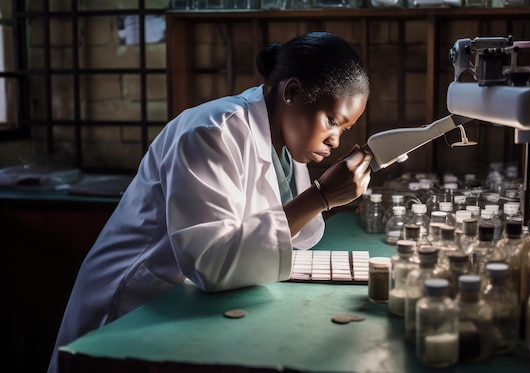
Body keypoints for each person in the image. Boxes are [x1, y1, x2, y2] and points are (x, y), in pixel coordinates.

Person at [47, 31, 371, 372]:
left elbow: (296, 238)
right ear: (291, 92)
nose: (335, 140)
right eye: (332, 121)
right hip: (136, 302)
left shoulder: (287, 150)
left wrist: (320, 198)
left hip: (190, 302)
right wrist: (320, 197)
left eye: (345, 130)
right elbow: (211, 261)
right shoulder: (212, 130)